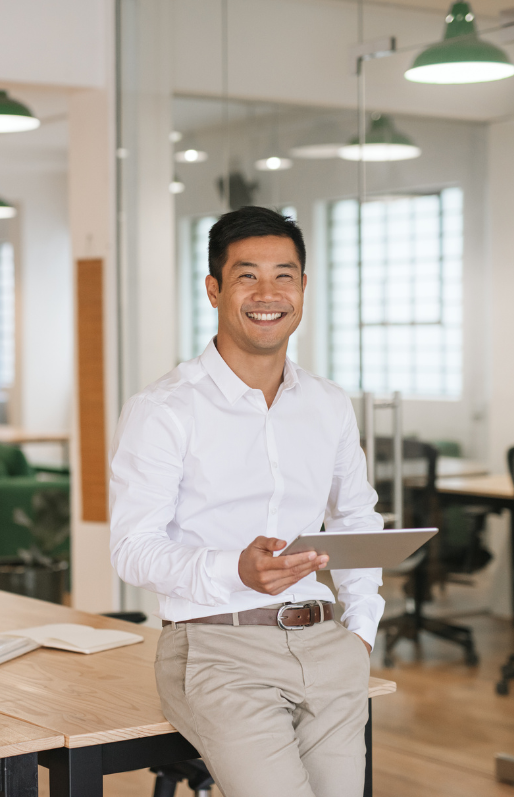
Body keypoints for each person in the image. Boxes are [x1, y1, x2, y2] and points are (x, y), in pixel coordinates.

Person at [109, 206, 385, 797]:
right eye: (246, 276)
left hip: (327, 643)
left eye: (284, 275)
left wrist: (362, 626)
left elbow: (356, 517)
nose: (268, 293)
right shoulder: (165, 408)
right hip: (217, 647)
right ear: (214, 289)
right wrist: (231, 567)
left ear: (304, 288)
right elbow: (132, 549)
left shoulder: (328, 403)